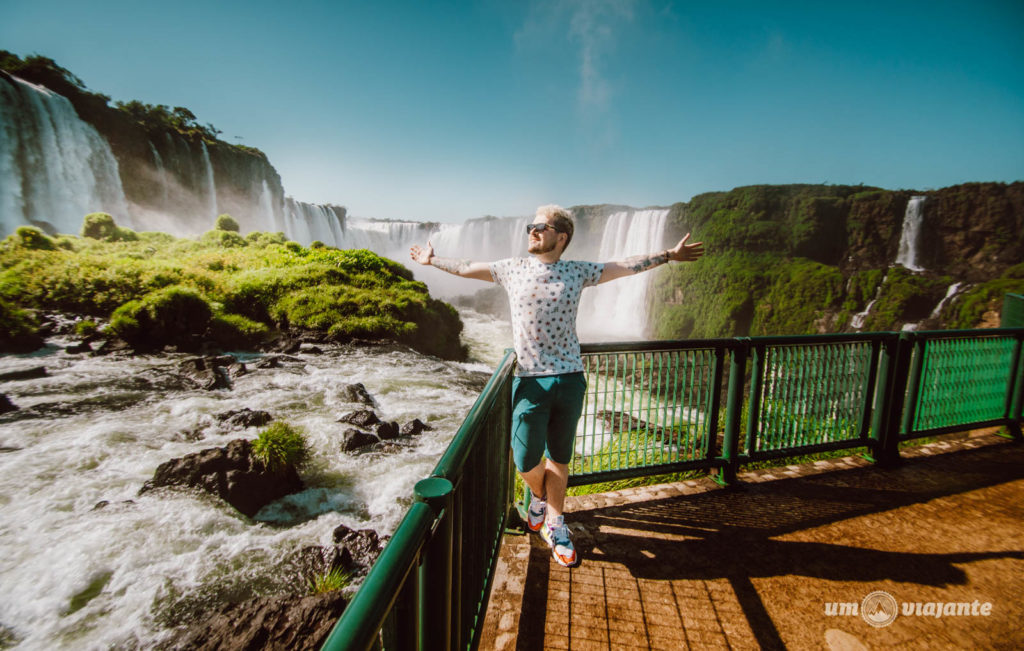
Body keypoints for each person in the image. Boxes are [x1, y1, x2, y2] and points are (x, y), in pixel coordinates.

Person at [410, 204, 703, 567]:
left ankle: (556, 523)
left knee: (560, 459)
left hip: (570, 380)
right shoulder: (512, 269)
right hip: (530, 382)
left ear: (560, 237)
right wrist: (432, 260)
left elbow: (625, 265)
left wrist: (668, 256)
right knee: (525, 460)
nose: (531, 231)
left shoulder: (577, 271)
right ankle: (537, 493)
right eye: (530, 226)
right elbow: (468, 267)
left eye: (540, 227)